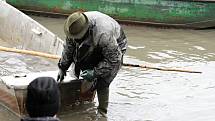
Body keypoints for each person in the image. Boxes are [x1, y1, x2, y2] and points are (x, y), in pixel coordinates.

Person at [57, 11, 127, 117]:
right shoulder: (73, 28)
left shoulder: (104, 35)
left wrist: (95, 72)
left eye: (78, 37)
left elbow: (114, 60)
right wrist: (62, 67)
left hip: (116, 46)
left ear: (86, 31)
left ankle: (102, 112)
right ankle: (85, 86)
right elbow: (68, 49)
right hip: (95, 41)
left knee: (103, 80)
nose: (75, 39)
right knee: (80, 60)